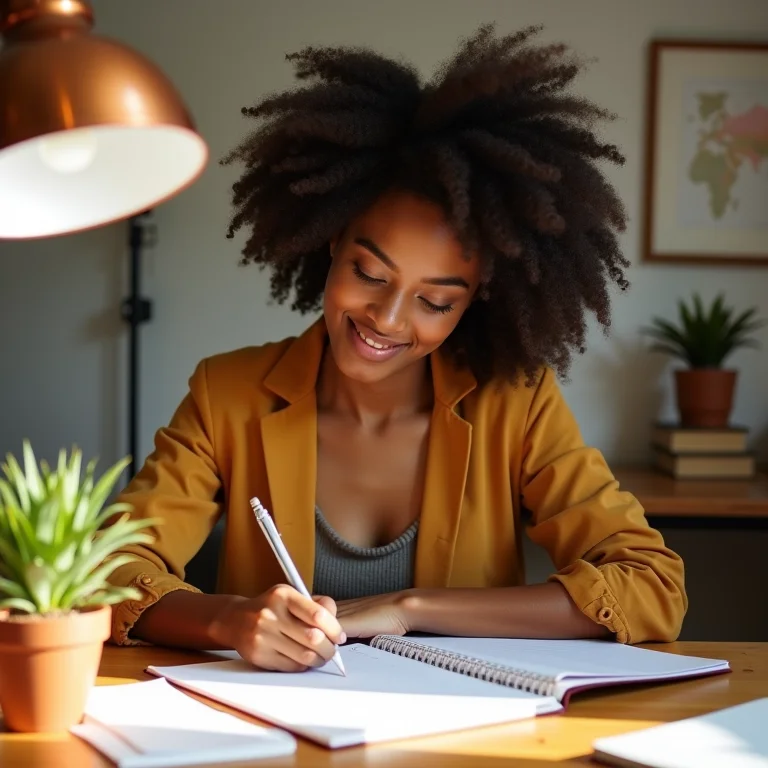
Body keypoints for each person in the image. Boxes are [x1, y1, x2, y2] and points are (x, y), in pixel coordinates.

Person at [106, 24, 687, 672]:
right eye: (370, 274)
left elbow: (650, 585)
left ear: (475, 302)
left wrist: (409, 607)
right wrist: (229, 619)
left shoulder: (515, 406)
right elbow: (112, 575)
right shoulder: (227, 395)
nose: (386, 317)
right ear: (331, 239)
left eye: (436, 301)